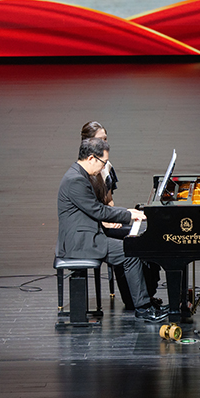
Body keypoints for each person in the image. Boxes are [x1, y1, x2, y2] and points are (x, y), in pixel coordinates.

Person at [57, 137, 166, 322]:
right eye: (103, 162)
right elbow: (98, 211)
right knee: (130, 253)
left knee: (137, 240)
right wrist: (128, 214)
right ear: (91, 158)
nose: (104, 167)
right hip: (81, 242)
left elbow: (97, 209)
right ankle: (143, 308)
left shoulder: (79, 174)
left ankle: (143, 297)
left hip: (88, 233)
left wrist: (128, 213)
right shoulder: (75, 180)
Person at [80, 121, 160, 310]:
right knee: (131, 244)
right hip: (97, 226)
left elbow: (108, 200)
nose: (105, 143)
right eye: (100, 139)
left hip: (106, 218)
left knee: (148, 234)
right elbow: (92, 208)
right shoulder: (86, 171)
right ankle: (131, 298)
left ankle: (148, 292)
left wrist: (115, 216)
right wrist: (108, 221)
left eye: (105, 139)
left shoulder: (106, 165)